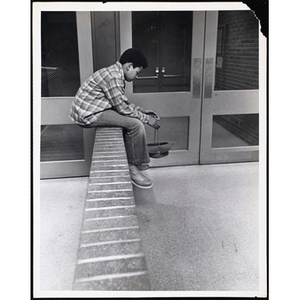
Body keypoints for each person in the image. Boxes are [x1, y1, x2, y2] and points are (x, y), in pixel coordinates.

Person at [70, 48, 160, 189]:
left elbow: (121, 102)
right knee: (136, 124)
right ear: (129, 66)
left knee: (134, 120)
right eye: (138, 72)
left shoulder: (114, 72)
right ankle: (132, 167)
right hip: (88, 114)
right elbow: (123, 108)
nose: (137, 76)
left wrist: (142, 111)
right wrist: (147, 119)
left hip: (93, 108)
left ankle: (140, 162)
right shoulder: (113, 77)